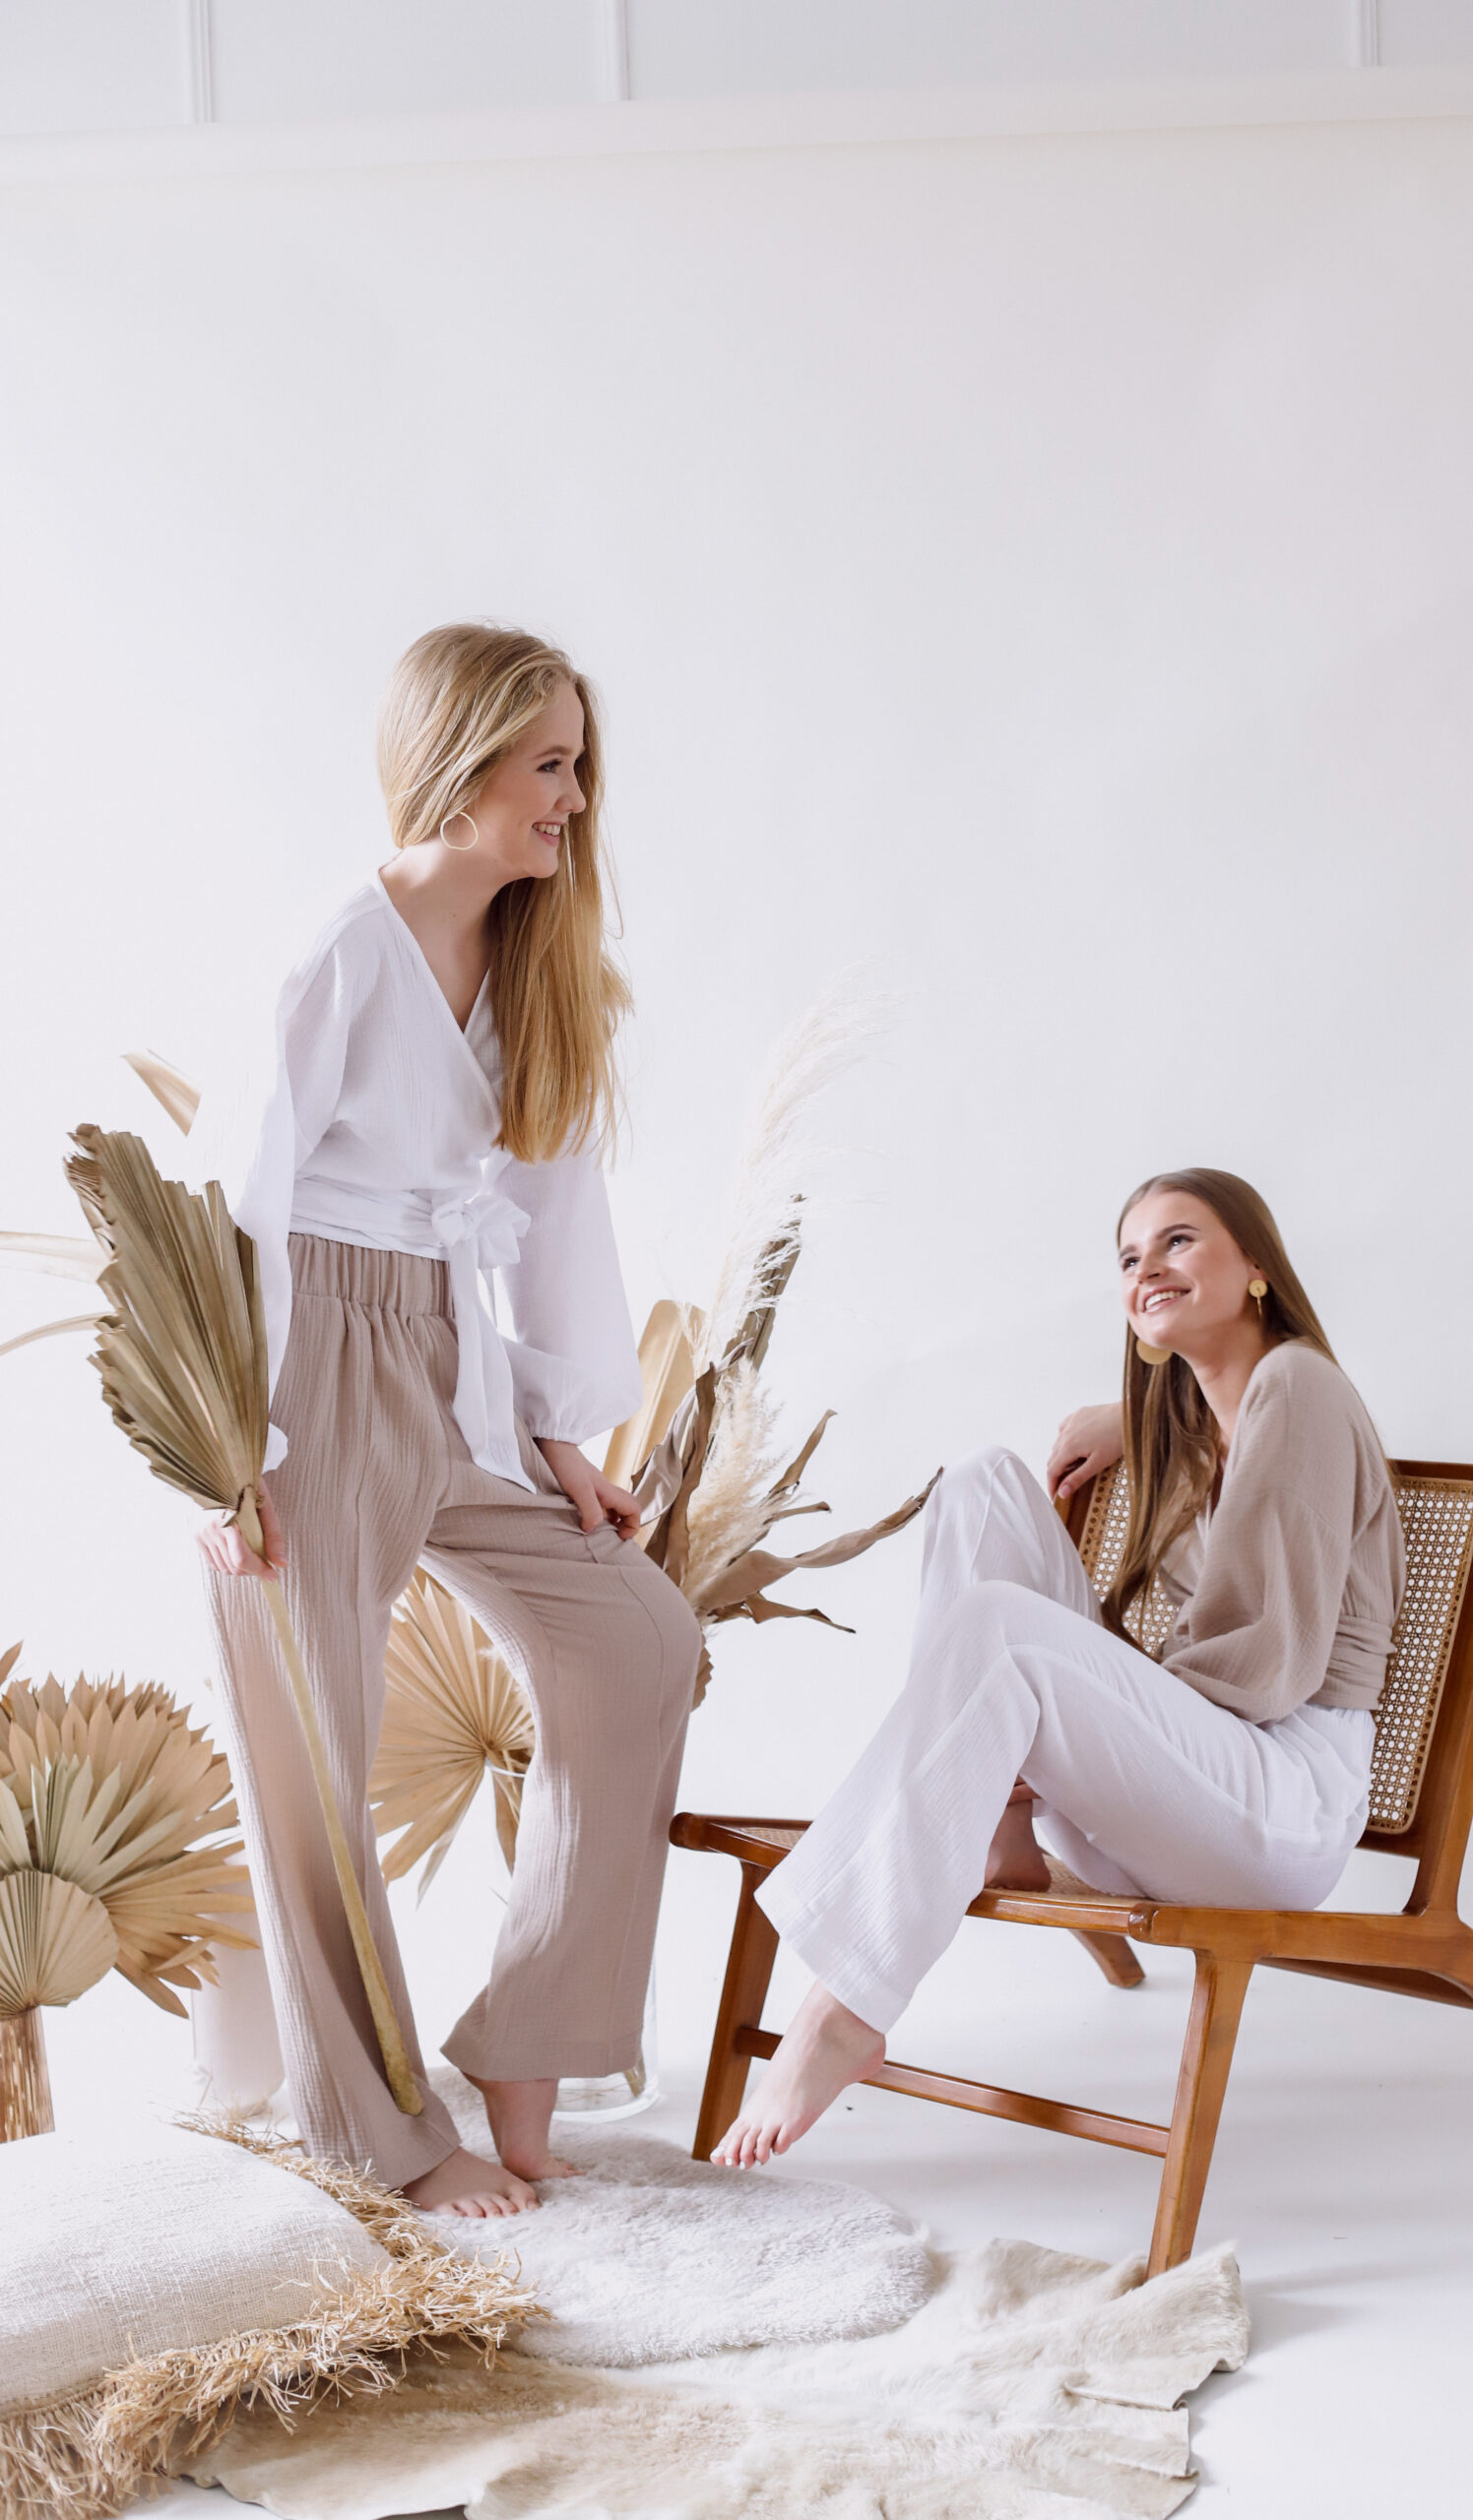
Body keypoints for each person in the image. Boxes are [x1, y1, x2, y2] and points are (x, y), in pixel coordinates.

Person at [189, 623, 701, 2217]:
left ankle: (531, 2046)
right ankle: (381, 2134)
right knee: (313, 1764)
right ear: (459, 759)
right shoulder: (340, 954)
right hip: (302, 1369)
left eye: (579, 766)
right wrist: (217, 1447)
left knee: (638, 1640)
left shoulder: (540, 967)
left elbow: (553, 1213)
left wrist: (557, 1432)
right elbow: (228, 1202)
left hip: (445, 1355)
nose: (573, 799)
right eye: (548, 764)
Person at [712, 1167, 1404, 2168]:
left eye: (1178, 1240)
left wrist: (1071, 1718)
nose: (1147, 1267)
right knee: (982, 1484)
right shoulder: (1208, 1420)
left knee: (1002, 1628)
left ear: (1256, 1263)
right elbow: (1212, 1434)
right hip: (1177, 1802)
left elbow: (1266, 1662)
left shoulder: (1299, 1387)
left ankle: (844, 2004)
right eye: (1129, 1256)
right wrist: (1136, 1415)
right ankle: (998, 1829)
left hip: (1274, 1804)